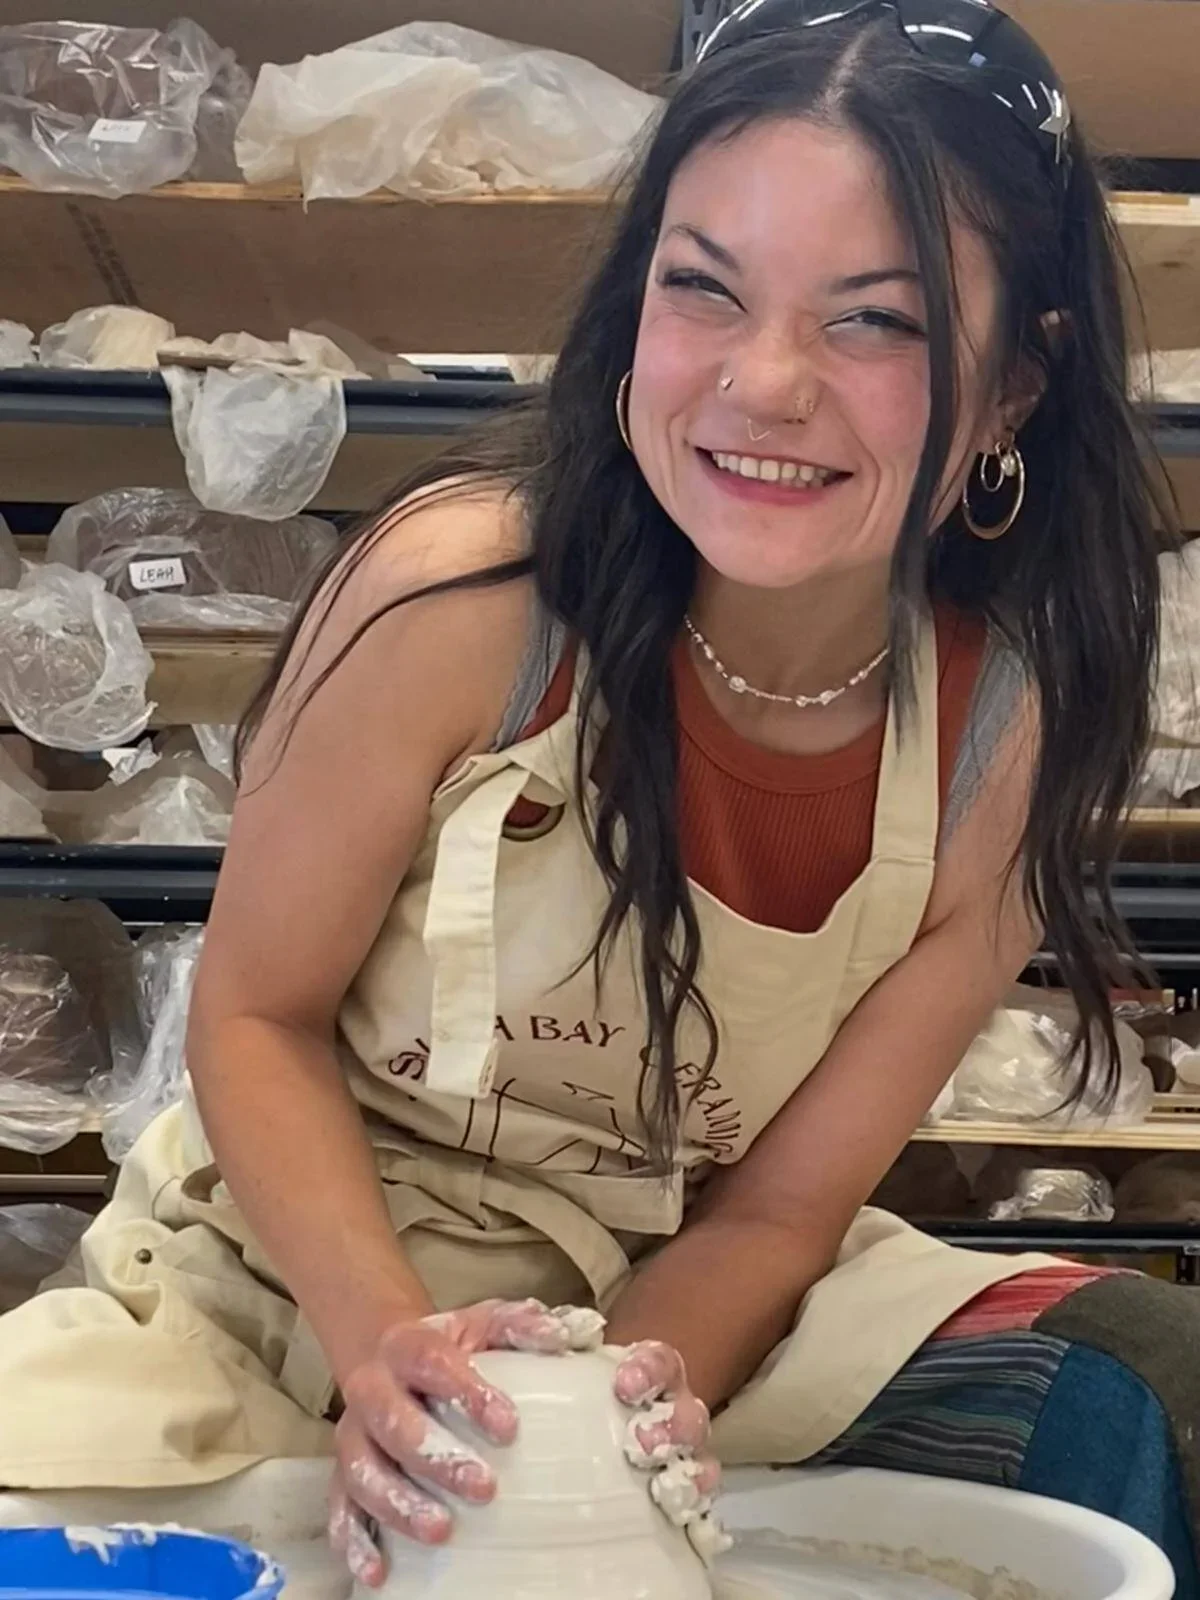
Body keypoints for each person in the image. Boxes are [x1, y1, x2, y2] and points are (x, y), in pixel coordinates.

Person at [0, 0, 1194, 1589]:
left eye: (874, 323)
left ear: (1018, 386)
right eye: (703, 289)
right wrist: (397, 1362)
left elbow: (775, 1217)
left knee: (1150, 1390)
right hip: (297, 1275)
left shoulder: (1007, 741)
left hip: (693, 1294)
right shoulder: (460, 602)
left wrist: (589, 1428)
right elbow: (253, 1020)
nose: (762, 385)